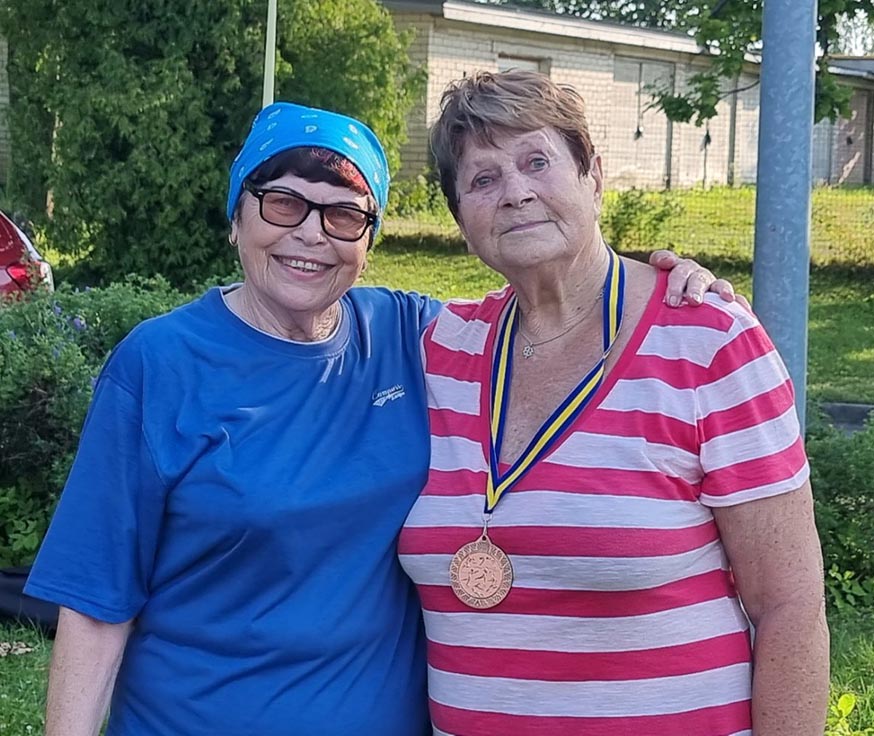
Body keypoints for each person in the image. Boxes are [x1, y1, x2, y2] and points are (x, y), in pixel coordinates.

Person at [24, 101, 732, 736]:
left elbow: (553, 307)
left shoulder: (413, 338)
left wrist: (664, 284)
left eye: (344, 215)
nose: (311, 235)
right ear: (237, 215)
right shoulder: (160, 364)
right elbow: (96, 601)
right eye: (282, 203)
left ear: (369, 240)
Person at [396, 70, 829, 736]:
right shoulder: (437, 350)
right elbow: (307, 313)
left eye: (537, 162)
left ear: (593, 176)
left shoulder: (709, 342)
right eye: (482, 179)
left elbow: (789, 606)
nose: (515, 192)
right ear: (461, 222)